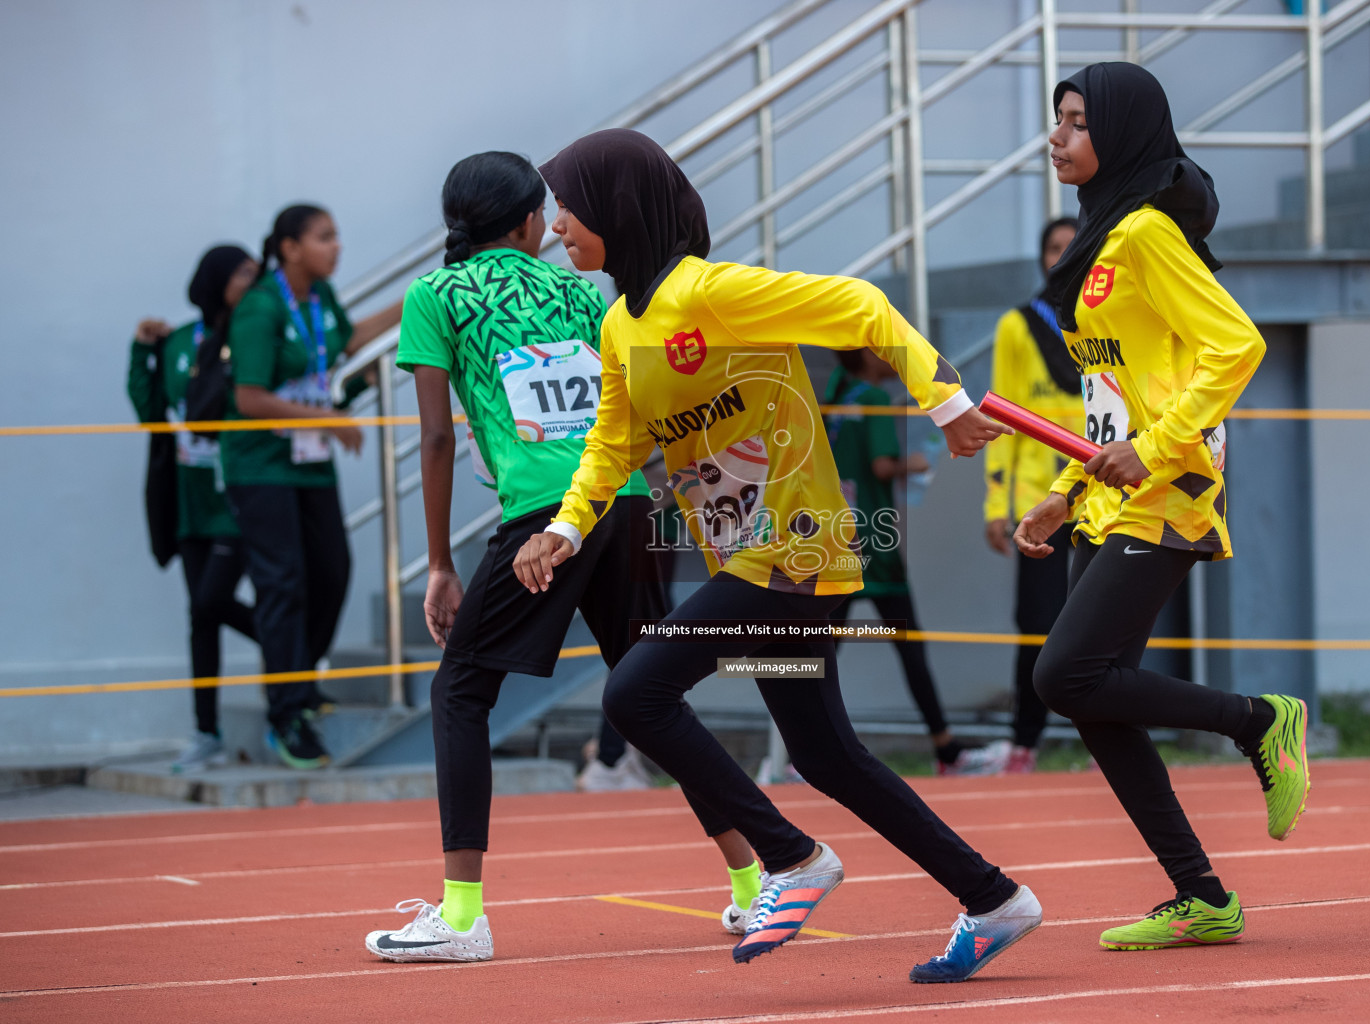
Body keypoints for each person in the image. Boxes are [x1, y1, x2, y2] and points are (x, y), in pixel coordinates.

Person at [514, 129, 1043, 984]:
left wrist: (943, 401)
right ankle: (994, 900)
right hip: (746, 560)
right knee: (828, 755)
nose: (560, 224)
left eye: (572, 206)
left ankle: (790, 859)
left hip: (795, 551)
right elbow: (611, 445)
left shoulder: (711, 293)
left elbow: (863, 306)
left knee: (636, 692)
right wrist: (566, 529)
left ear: (619, 207)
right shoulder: (619, 325)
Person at [362, 152, 763, 964]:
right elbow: (628, 404)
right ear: (522, 224)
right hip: (617, 503)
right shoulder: (583, 291)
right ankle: (758, 883)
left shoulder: (435, 296)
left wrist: (439, 562)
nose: (555, 222)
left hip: (548, 513)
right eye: (546, 211)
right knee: (650, 694)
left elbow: (436, 437)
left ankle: (464, 915)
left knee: (461, 691)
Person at [1016, 62, 1310, 951]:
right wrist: (1065, 492)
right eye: (1055, 121)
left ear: (1123, 132)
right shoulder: (1101, 240)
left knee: (1063, 676)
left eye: (1074, 122)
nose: (1056, 137)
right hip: (1111, 498)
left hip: (1171, 490)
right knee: (1097, 701)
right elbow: (1114, 391)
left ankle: (1262, 721)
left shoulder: (1145, 233)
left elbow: (1236, 346)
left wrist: (1155, 447)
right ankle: (1202, 896)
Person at [221, 204, 401, 769]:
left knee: (333, 570)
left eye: (337, 236)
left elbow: (348, 341)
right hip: (262, 465)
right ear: (291, 248)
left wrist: (420, 299)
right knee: (284, 584)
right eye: (325, 237)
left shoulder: (320, 299)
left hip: (310, 461)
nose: (337, 247)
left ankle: (298, 677)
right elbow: (249, 398)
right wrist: (327, 419)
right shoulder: (260, 306)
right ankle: (286, 713)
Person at [823, 348, 1003, 775]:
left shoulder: (838, 393)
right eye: (878, 346)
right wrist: (919, 463)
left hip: (835, 538)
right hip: (874, 542)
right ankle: (946, 751)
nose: (890, 354)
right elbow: (882, 466)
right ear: (865, 356)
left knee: (824, 650)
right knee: (908, 645)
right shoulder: (873, 397)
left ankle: (801, 752)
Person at [127, 246, 261, 772]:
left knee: (210, 602)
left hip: (238, 496)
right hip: (189, 502)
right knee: (199, 618)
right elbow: (149, 411)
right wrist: (141, 353)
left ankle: (291, 650)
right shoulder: (180, 341)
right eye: (244, 273)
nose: (255, 281)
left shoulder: (251, 334)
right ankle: (206, 732)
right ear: (216, 280)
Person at [982, 216, 1084, 774]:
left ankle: (1105, 741)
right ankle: (1025, 743)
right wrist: (996, 506)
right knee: (1036, 625)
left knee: (1105, 627)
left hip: (1103, 496)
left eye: (1072, 246)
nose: (1061, 256)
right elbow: (1001, 421)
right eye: (1052, 247)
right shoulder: (1017, 326)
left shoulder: (1108, 318)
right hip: (1039, 500)